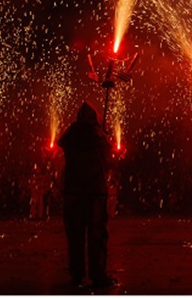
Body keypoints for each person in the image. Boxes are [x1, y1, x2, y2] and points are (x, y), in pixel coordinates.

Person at [57, 102, 117, 288]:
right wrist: (104, 135)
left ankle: (77, 275)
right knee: (97, 235)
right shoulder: (99, 137)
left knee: (75, 236)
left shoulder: (71, 136)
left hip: (73, 191)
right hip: (94, 192)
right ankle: (98, 276)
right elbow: (108, 162)